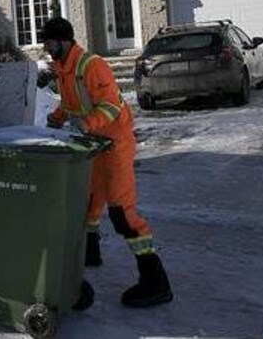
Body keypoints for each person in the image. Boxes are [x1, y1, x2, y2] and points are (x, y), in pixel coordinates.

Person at [41, 17, 173, 308]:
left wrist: (88, 124)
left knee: (122, 213)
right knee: (89, 202)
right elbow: (70, 102)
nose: (47, 48)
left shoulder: (91, 65)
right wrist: (57, 118)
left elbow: (112, 104)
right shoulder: (64, 69)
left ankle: (155, 281)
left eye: (50, 42)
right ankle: (90, 253)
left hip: (115, 145)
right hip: (95, 146)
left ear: (63, 41)